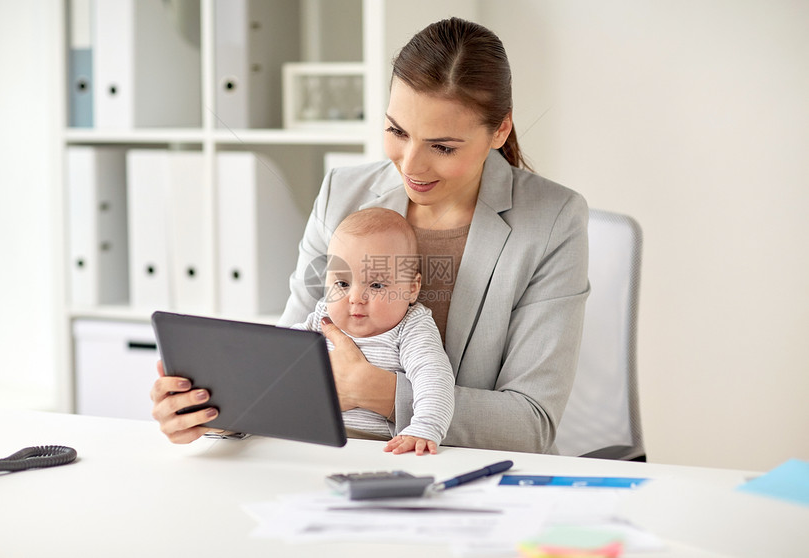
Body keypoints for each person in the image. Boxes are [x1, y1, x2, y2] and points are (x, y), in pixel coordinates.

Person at [151, 17, 589, 453]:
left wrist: (372, 390)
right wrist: (214, 413)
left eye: (442, 146)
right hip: (330, 460)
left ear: (500, 130)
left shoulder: (552, 220)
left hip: (466, 475)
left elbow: (529, 425)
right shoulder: (342, 193)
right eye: (397, 131)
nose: (411, 166)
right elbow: (288, 363)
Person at [291, 207, 454, 456]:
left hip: (375, 446)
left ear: (412, 288)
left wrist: (425, 427)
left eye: (376, 285)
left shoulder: (410, 326)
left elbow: (433, 378)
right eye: (342, 283)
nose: (355, 298)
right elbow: (280, 356)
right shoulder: (322, 317)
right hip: (309, 438)